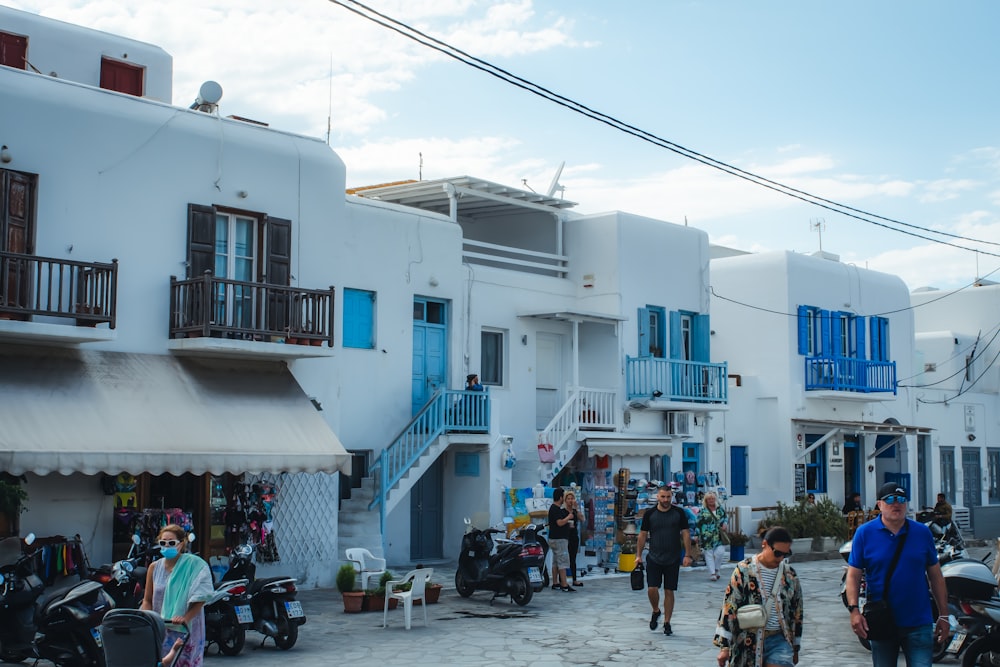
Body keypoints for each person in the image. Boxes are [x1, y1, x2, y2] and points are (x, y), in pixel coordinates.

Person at [845, 483, 950, 667]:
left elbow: (936, 576)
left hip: (918, 621)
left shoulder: (921, 533)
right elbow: (853, 576)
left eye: (901, 500)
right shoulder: (865, 533)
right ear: (879, 504)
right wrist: (854, 611)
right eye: (890, 500)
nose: (897, 504)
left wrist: (944, 615)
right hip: (882, 620)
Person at [714, 526, 803, 667]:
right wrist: (725, 647)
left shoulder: (790, 575)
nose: (781, 558)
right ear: (765, 544)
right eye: (777, 553)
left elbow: (798, 611)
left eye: (786, 554)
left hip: (780, 638)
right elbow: (729, 606)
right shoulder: (743, 570)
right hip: (748, 640)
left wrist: (796, 646)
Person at [141, 524, 213, 667]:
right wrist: (145, 618)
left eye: (171, 542)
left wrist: (185, 618)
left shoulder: (194, 565)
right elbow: (147, 600)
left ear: (181, 544)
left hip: (186, 627)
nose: (167, 545)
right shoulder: (154, 567)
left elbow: (201, 597)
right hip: (161, 627)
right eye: (163, 542)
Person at [635, 485, 692, 636]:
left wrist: (687, 554)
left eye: (668, 497)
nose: (666, 500)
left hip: (672, 558)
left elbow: (685, 534)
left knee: (669, 590)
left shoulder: (679, 513)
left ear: (671, 497)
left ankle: (667, 622)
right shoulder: (649, 514)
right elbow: (642, 535)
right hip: (654, 556)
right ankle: (656, 610)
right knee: (652, 589)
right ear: (657, 497)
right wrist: (638, 555)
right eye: (663, 497)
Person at [696, 491, 729, 581]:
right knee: (709, 554)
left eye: (713, 498)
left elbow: (725, 517)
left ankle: (717, 568)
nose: (711, 500)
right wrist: (696, 535)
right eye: (709, 499)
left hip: (718, 535)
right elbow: (698, 523)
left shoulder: (720, 509)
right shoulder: (702, 511)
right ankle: (712, 573)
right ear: (706, 500)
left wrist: (725, 524)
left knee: (720, 552)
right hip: (706, 536)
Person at [547, 488, 575, 592]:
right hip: (559, 539)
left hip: (553, 538)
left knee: (555, 561)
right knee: (562, 561)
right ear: (560, 497)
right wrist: (569, 517)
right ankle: (564, 584)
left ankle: (555, 582)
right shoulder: (556, 509)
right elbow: (559, 523)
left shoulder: (553, 508)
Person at [564, 490, 585, 587]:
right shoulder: (563, 511)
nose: (570, 500)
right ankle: (562, 580)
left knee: (573, 558)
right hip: (565, 536)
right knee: (564, 559)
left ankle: (574, 579)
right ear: (565, 500)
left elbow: (582, 519)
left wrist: (576, 508)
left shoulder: (575, 511)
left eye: (572, 498)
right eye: (568, 499)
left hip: (574, 536)